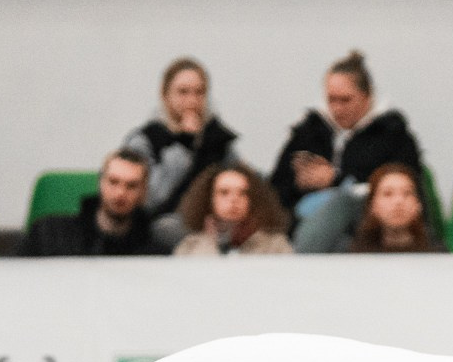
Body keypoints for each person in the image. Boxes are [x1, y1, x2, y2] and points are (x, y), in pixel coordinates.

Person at [268, 50, 424, 221]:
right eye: (331, 100)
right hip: (302, 223)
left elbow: (405, 191)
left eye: (345, 100)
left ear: (367, 97)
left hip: (369, 226)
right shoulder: (309, 133)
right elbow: (275, 190)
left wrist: (336, 179)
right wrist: (298, 184)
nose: (337, 109)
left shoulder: (393, 136)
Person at [120, 57, 241, 249]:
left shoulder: (216, 138)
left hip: (216, 223)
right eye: (183, 92)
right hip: (162, 224)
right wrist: (184, 144)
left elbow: (240, 179)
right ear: (165, 95)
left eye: (199, 92)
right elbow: (151, 199)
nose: (192, 101)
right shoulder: (145, 140)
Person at [17, 149, 157, 257]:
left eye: (131, 186)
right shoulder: (49, 234)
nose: (120, 193)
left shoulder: (153, 254)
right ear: (100, 182)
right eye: (113, 182)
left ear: (143, 192)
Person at [171, 162, 292, 257]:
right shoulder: (190, 246)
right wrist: (211, 243)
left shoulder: (276, 246)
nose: (234, 199)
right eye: (224, 192)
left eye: (243, 193)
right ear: (209, 199)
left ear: (254, 199)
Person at [350, 164, 444, 252]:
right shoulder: (354, 256)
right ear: (372, 205)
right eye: (388, 194)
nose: (398, 201)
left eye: (407, 193)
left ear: (418, 204)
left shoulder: (437, 255)